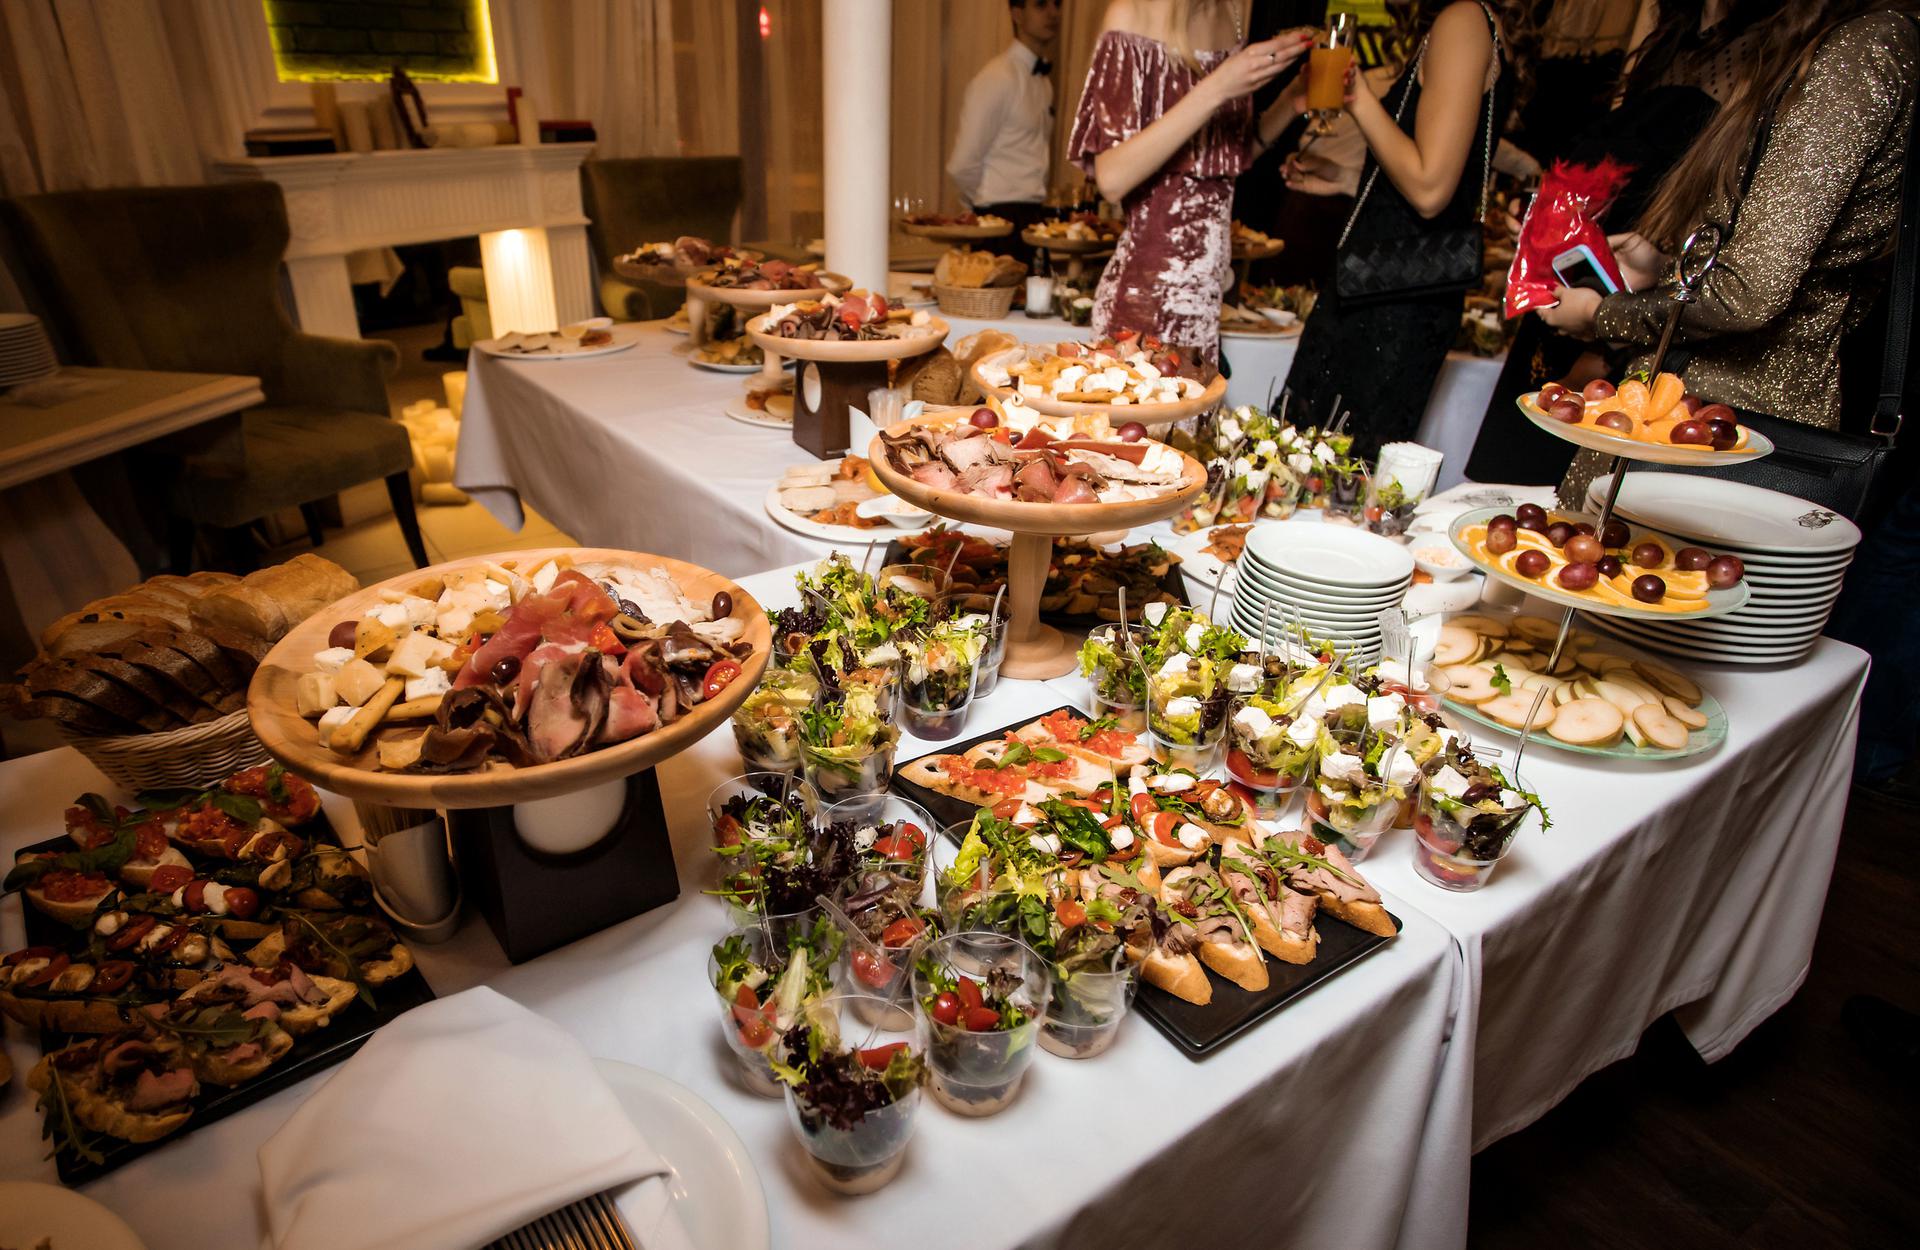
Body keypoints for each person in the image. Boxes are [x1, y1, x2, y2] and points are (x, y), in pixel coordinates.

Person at [1534, 1, 1918, 503]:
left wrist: (1601, 315)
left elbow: (1748, 294)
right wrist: (1670, 266)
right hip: (1712, 418)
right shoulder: (1850, 38)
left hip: (1721, 426)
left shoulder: (1859, 48)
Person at [1464, 0, 1766, 486]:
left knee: (1571, 481)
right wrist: (1550, 225)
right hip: (1575, 284)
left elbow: (1728, 236)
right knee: (1510, 474)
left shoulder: (1767, 55)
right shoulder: (1669, 41)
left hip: (1633, 319)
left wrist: (1624, 304)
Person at [1279, 1, 1520, 459]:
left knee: (1326, 465)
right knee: (1322, 464)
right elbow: (1439, 180)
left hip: (1388, 307)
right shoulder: (1469, 21)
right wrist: (1348, 180)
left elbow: (1430, 189)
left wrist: (1357, 95)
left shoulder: (1463, 20)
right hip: (1391, 292)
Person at [1068, 0, 1315, 366]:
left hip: (1205, 311)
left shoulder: (1230, 12)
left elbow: (1220, 159)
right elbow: (1111, 177)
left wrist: (1292, 101)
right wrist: (1218, 87)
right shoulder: (1132, 12)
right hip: (1142, 312)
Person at [948, 0, 1063, 239]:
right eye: (1041, 5)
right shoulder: (997, 77)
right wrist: (986, 204)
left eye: (1057, 3)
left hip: (1033, 217)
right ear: (1017, 14)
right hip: (998, 218)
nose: (1053, 13)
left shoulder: (1043, 82)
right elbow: (961, 165)